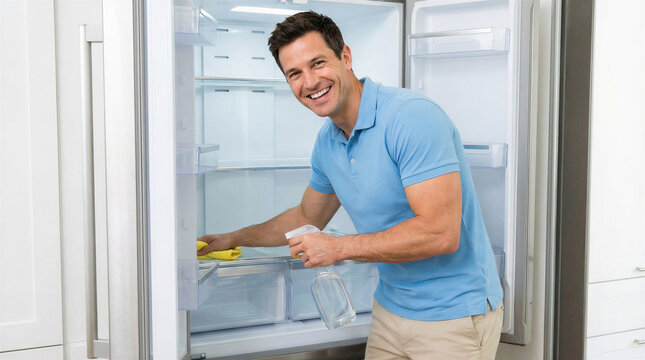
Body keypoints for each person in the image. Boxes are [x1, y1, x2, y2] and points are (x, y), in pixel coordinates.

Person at [198, 11, 504, 360]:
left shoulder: (411, 117)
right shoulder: (328, 142)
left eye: (318, 63)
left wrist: (339, 248)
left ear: (345, 56)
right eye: (294, 73)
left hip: (453, 315)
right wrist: (234, 238)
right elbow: (304, 215)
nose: (310, 82)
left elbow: (440, 233)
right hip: (391, 308)